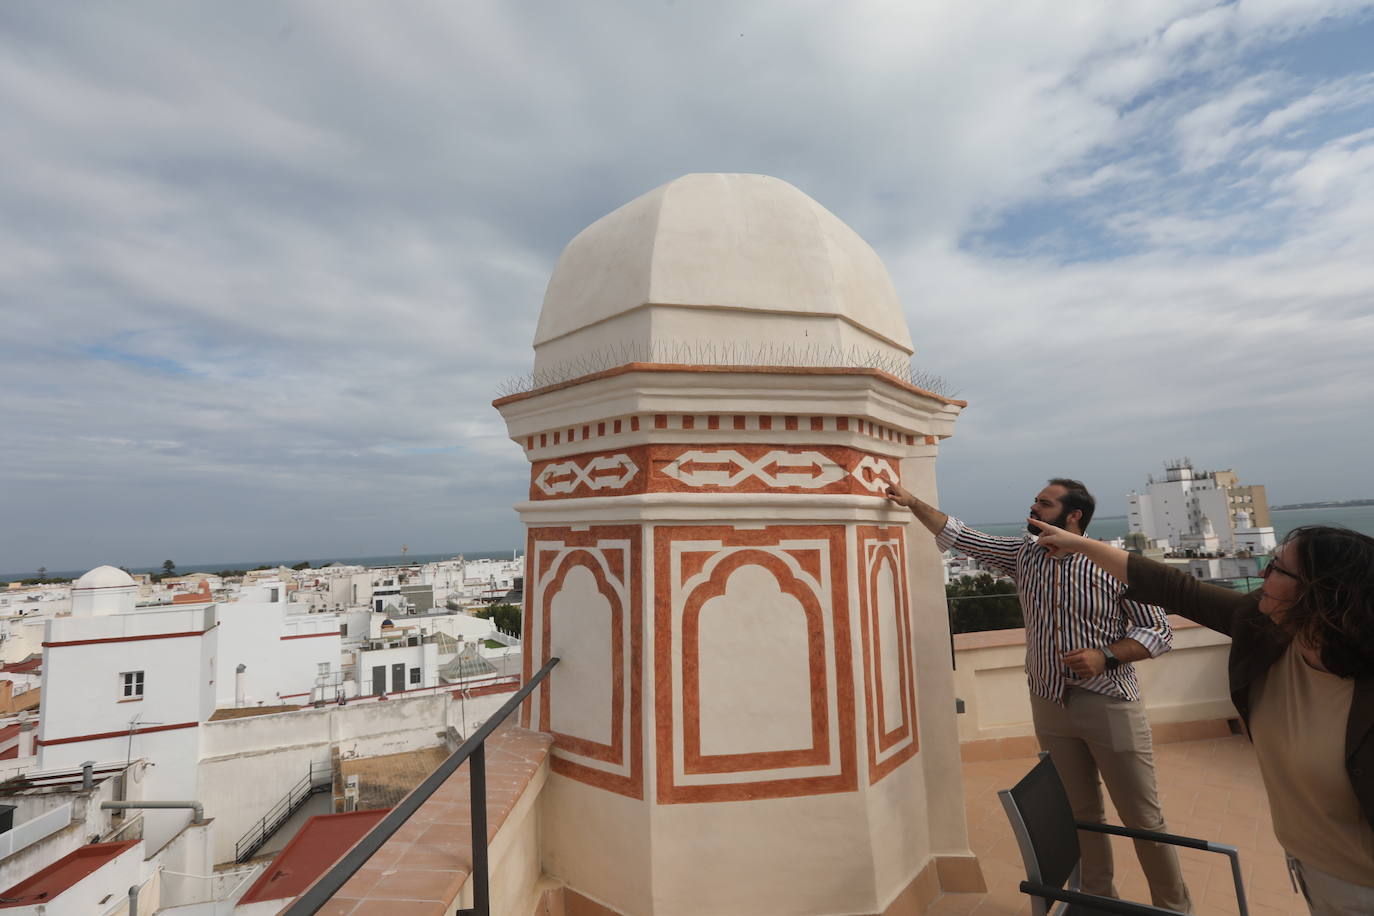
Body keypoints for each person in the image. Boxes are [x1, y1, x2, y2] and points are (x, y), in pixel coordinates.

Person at [1029, 518, 1374, 914]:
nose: (1262, 573)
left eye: (1277, 568)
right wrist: (1080, 545)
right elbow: (1177, 588)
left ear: (1320, 594)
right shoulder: (1266, 632)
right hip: (1309, 869)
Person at [886, 478, 1192, 912]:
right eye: (1035, 501)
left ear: (1073, 517)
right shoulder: (1023, 555)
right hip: (1049, 702)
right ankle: (1098, 901)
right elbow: (960, 534)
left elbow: (1159, 632)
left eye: (1044, 504)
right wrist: (912, 501)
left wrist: (1105, 655)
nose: (1033, 508)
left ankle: (1174, 908)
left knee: (1143, 818)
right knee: (1081, 815)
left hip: (1108, 702)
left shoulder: (1115, 564)